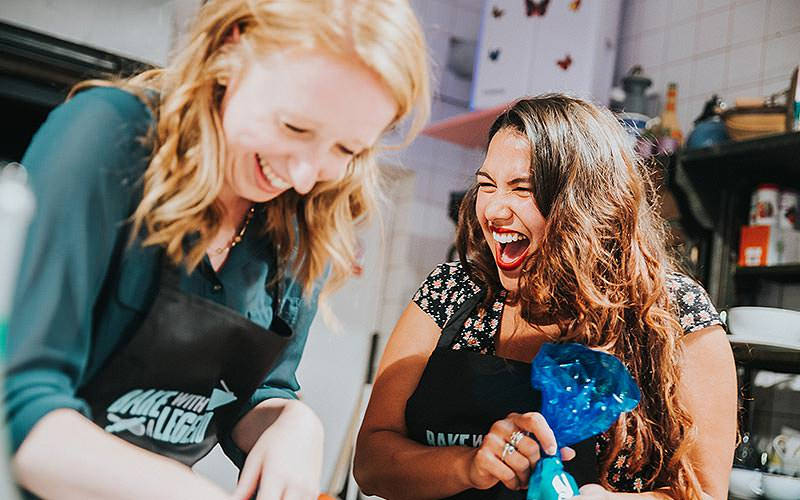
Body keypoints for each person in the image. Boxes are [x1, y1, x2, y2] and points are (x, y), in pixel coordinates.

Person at [3, 1, 430, 498]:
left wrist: (291, 424)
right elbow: (21, 410)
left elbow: (252, 393)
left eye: (346, 149)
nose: (303, 175)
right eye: (294, 127)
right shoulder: (111, 137)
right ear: (233, 45)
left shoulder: (306, 216)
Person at [354, 95, 737, 499]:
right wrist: (468, 465)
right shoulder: (452, 290)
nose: (494, 210)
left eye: (522, 188)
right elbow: (371, 464)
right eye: (487, 185)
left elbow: (704, 493)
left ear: (587, 202)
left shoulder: (672, 312)